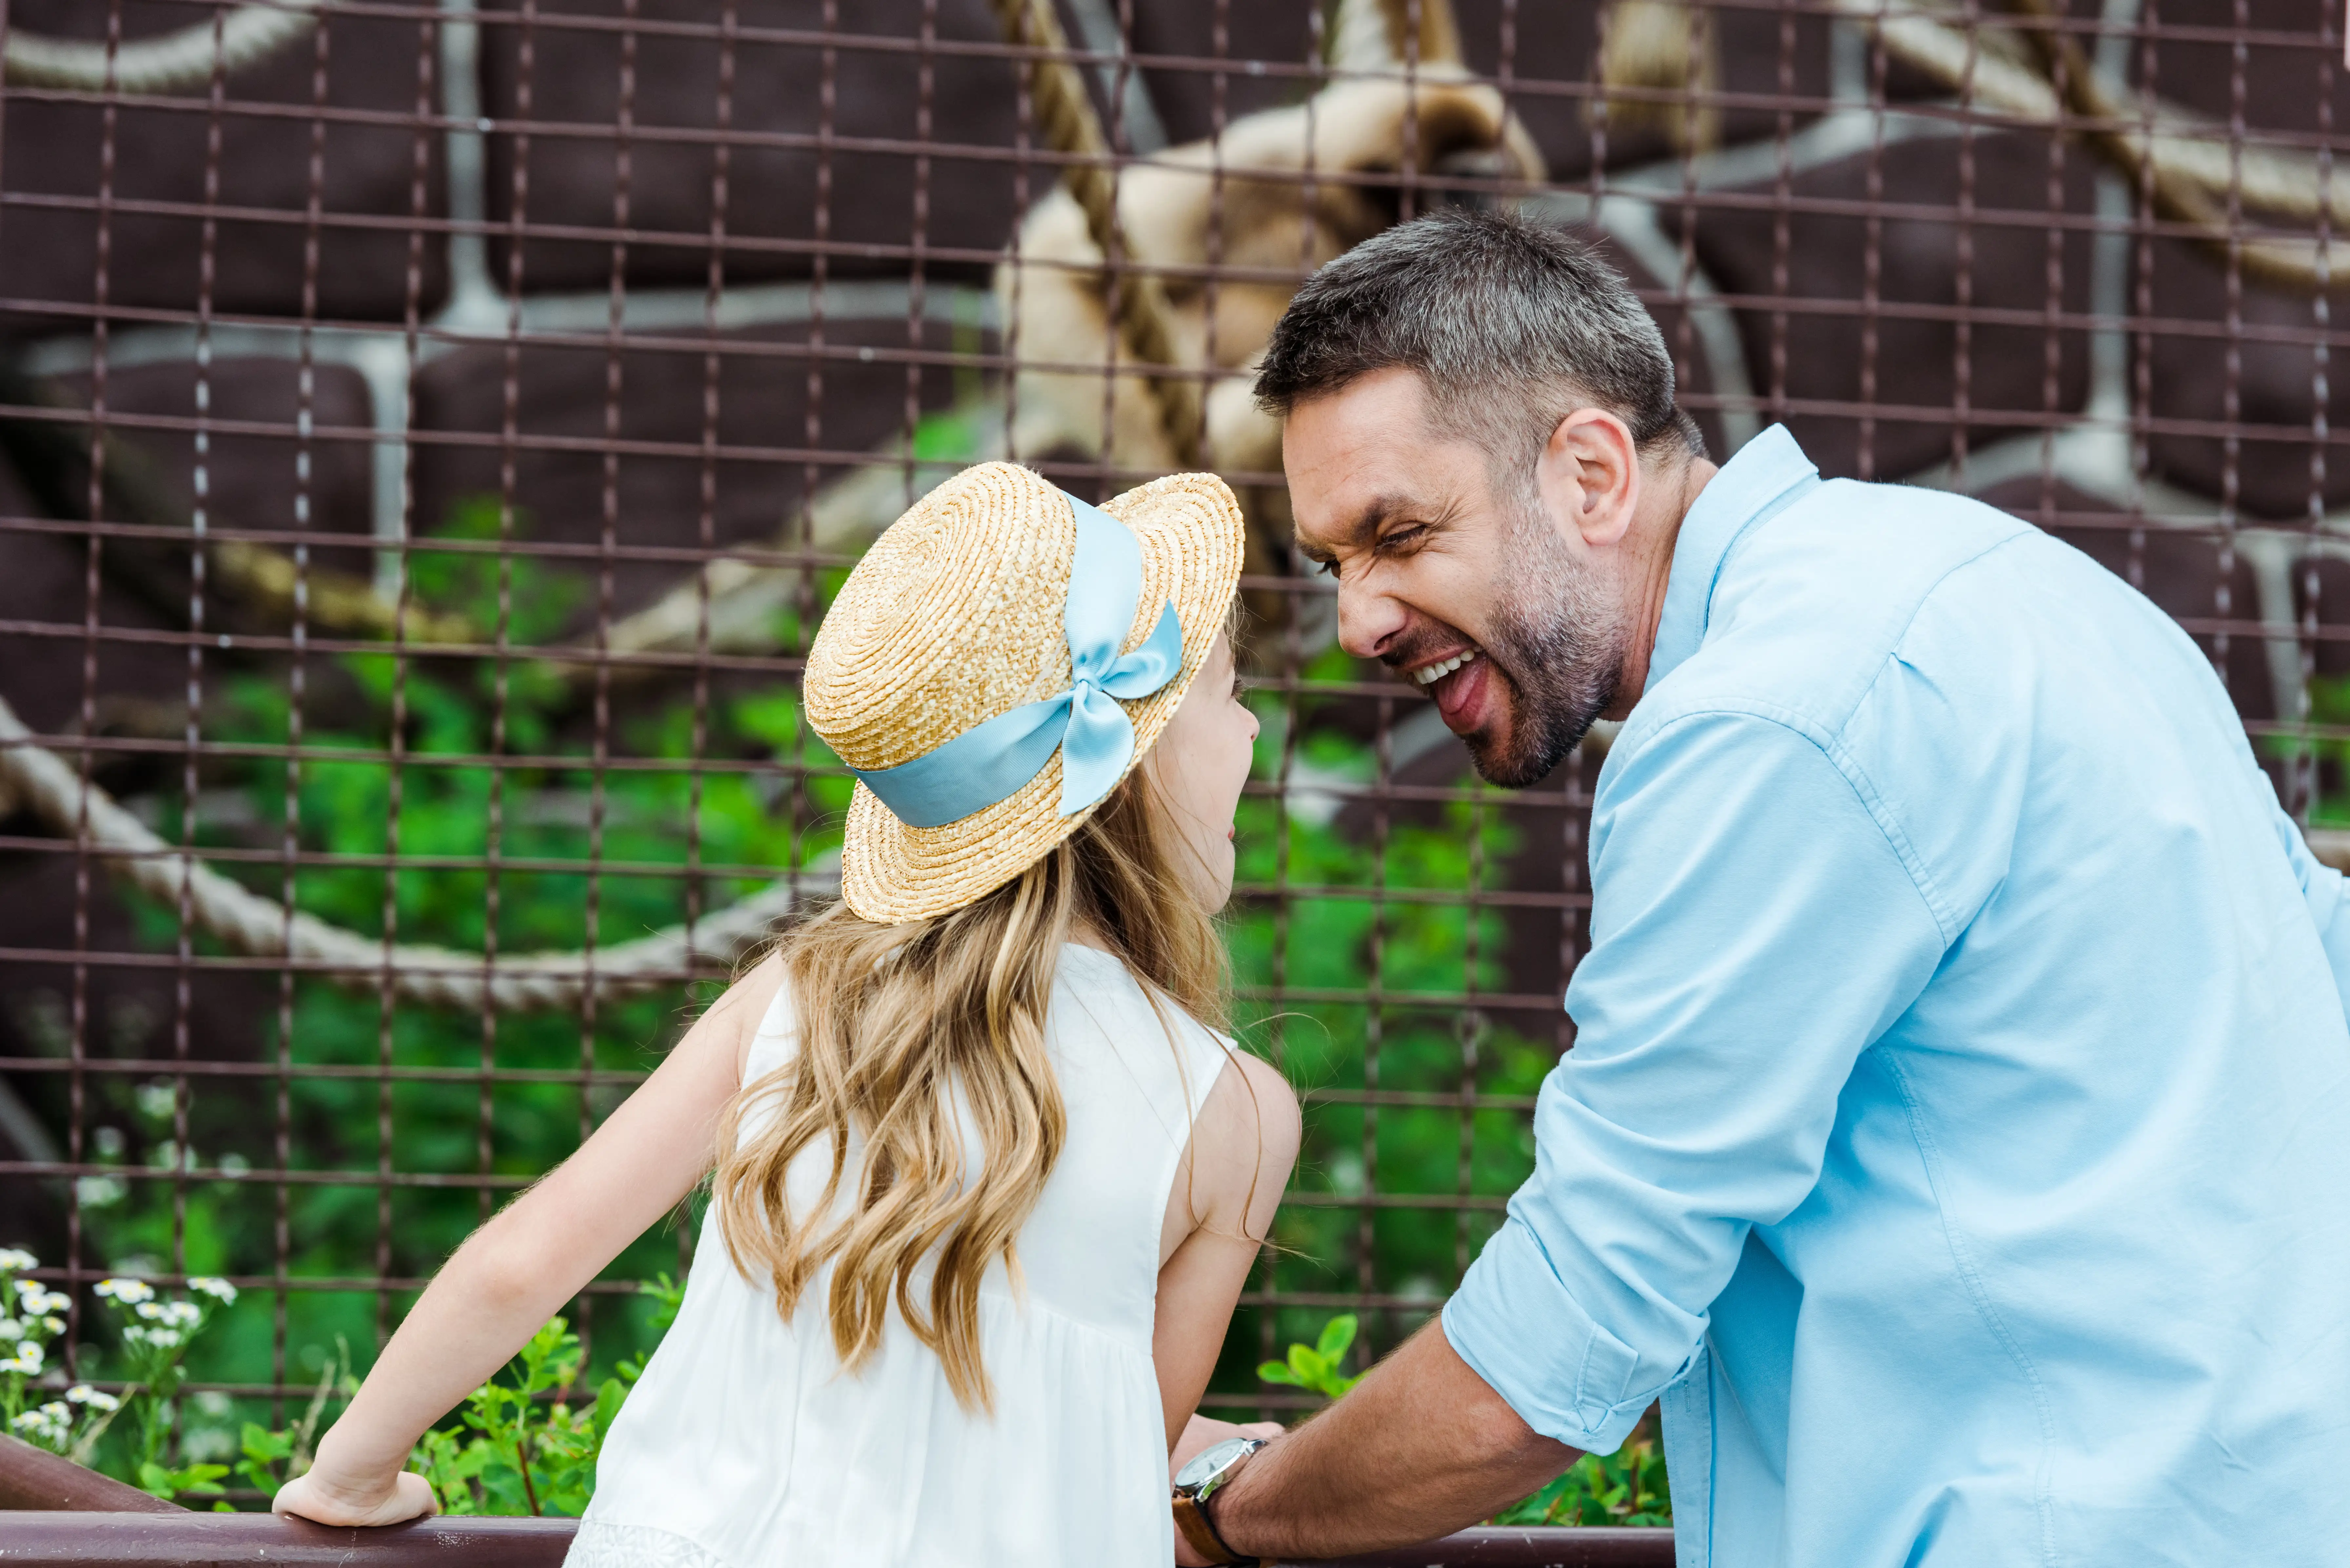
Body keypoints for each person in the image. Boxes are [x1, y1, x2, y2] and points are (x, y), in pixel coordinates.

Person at [1165, 208, 2350, 1567]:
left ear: (1593, 472)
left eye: (1399, 532)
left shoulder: (1765, 722)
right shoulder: (2018, 584)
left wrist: (1222, 1512)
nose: (1360, 615)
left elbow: (1567, 1337)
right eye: (1334, 563)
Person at [269, 461, 1300, 1568]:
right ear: (1139, 763)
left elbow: (523, 1263)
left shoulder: (802, 1000)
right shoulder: (1232, 1113)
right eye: (1231, 691)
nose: (1250, 733)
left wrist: (352, 1475)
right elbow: (1116, 1452)